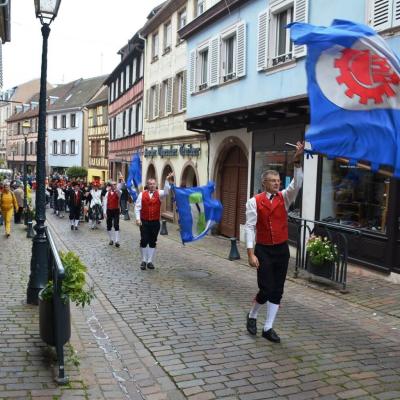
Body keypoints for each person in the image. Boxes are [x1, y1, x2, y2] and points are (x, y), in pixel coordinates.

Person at [245, 142, 304, 343]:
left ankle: (268, 327)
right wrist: (251, 253)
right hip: (263, 249)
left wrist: (297, 162)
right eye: (273, 181)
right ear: (264, 183)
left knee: (278, 290)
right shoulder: (254, 201)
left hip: (281, 248)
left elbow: (297, 184)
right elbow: (250, 227)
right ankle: (252, 314)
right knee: (266, 288)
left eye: (278, 180)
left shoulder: (285, 198)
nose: (277, 183)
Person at [135, 173, 174, 270]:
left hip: (155, 222)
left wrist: (166, 179)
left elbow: (166, 192)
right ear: (147, 185)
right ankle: (143, 260)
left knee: (153, 241)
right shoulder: (141, 194)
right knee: (144, 240)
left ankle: (150, 261)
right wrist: (138, 218)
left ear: (155, 185)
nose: (152, 185)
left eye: (153, 184)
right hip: (144, 221)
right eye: (150, 184)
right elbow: (137, 207)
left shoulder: (159, 193)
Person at [103, 181, 122, 247]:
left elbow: (119, 195)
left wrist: (117, 190)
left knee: (116, 225)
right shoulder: (107, 193)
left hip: (116, 210)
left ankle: (117, 241)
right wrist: (104, 212)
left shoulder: (118, 192)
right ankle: (111, 239)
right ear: (110, 186)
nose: (114, 186)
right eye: (112, 185)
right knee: (109, 226)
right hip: (109, 210)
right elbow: (105, 203)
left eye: (115, 184)